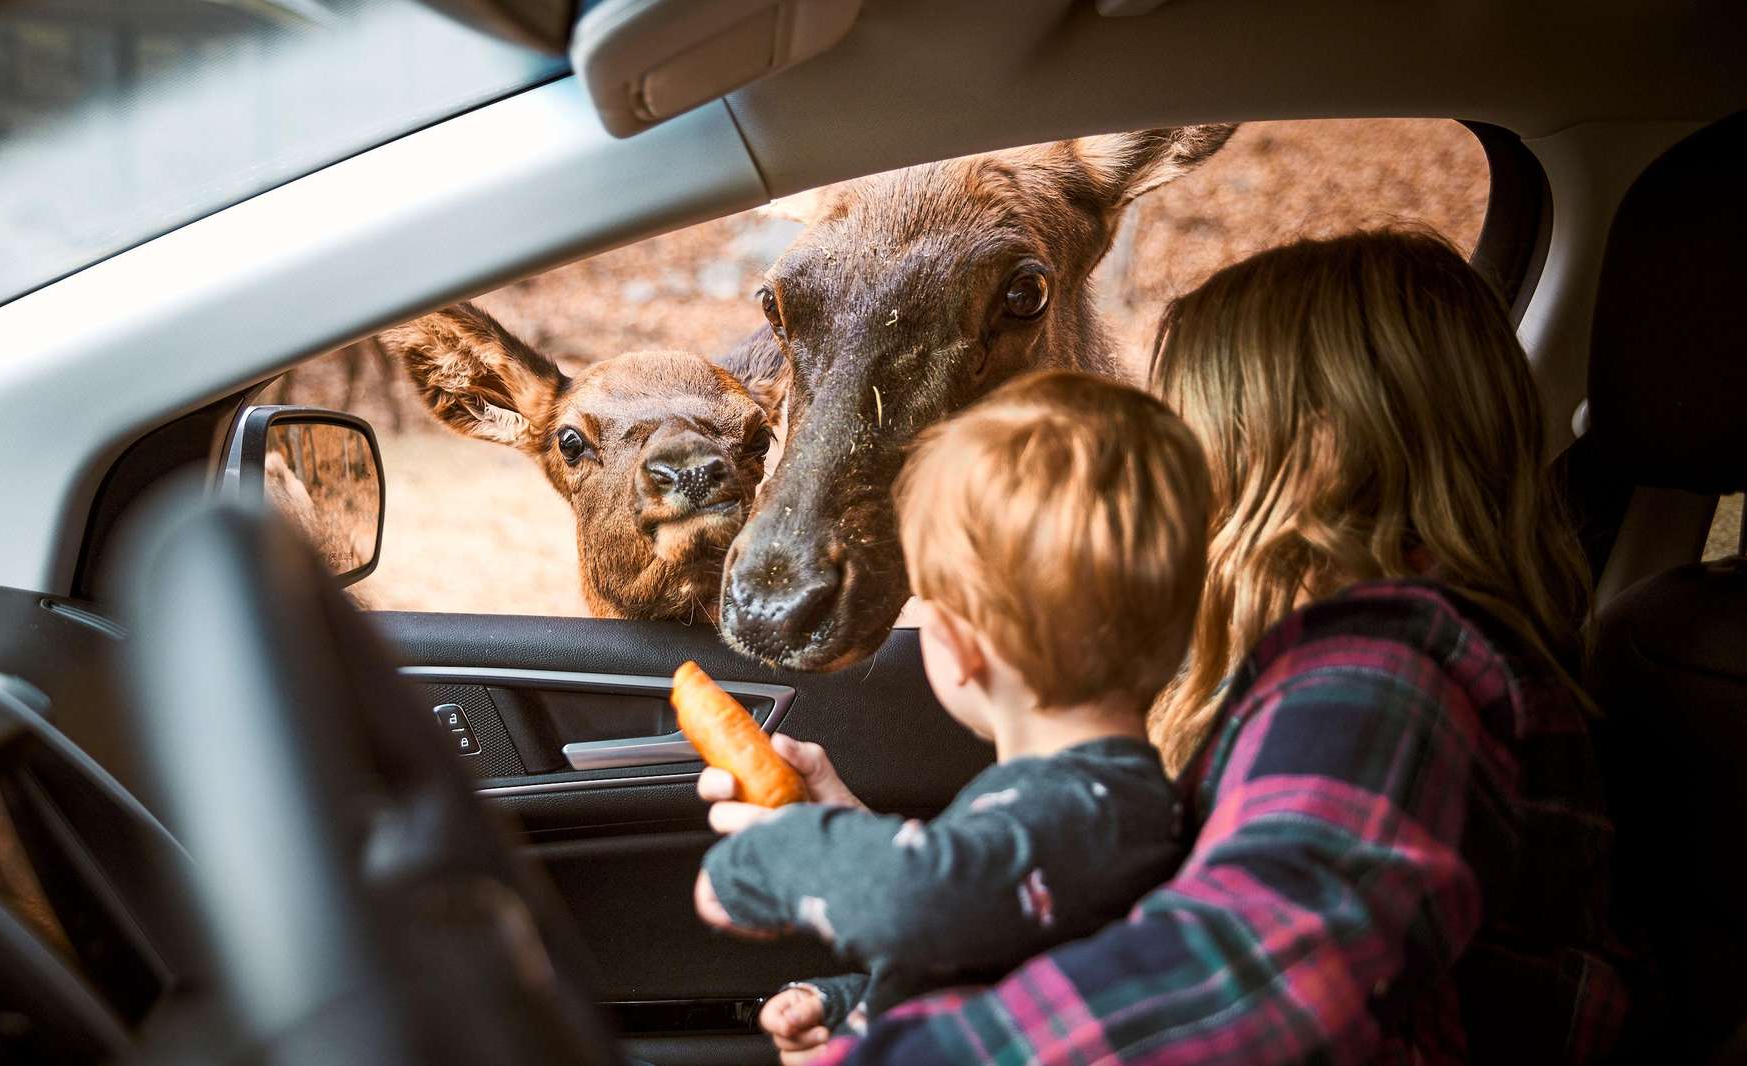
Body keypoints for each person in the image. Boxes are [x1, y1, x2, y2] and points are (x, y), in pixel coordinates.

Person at [714, 229, 1626, 1065]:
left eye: (1195, 420)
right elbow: (1129, 923)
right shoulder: (1334, 669)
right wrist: (891, 875)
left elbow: (1256, 977)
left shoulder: (1380, 675)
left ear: (1303, 449)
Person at [692, 370, 1213, 1044]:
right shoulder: (1101, 802)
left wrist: (766, 860)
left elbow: (921, 896)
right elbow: (992, 953)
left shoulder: (1083, 813)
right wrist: (851, 1006)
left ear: (956, 645)